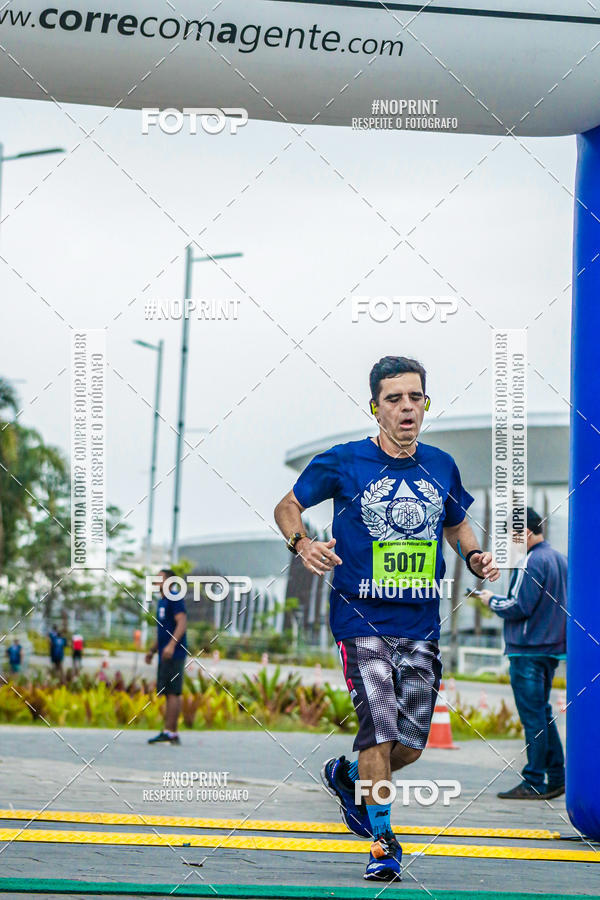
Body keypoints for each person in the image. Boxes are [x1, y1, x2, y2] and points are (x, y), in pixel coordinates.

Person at [274, 355, 499, 882]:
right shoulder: (344, 461)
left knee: (410, 745)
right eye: (394, 399)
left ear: (425, 404)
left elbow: (459, 522)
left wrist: (474, 556)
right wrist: (301, 543)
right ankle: (383, 843)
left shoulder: (441, 465)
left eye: (414, 398)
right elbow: (287, 505)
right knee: (377, 729)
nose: (405, 408)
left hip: (420, 621)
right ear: (375, 407)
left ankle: (347, 774)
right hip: (360, 618)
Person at [479, 507, 567, 800]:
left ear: (525, 532)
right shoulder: (558, 559)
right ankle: (556, 778)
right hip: (551, 649)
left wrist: (491, 600)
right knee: (542, 714)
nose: (508, 543)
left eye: (511, 536)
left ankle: (533, 781)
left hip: (527, 651)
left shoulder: (530, 561)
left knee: (533, 719)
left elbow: (518, 605)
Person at [145, 568, 188, 745]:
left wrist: (171, 646)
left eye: (160, 578)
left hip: (174, 653)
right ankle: (171, 732)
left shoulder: (174, 597)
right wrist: (152, 650)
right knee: (168, 692)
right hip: (164, 654)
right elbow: (163, 630)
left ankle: (170, 732)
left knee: (173, 692)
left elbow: (182, 622)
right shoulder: (162, 601)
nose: (156, 581)